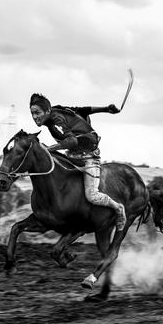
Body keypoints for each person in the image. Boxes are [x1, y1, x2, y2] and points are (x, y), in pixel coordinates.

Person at [29, 93, 126, 229]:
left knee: (92, 195)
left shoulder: (55, 121)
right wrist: (106, 109)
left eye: (37, 113)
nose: (35, 117)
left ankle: (118, 208)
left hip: (89, 156)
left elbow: (72, 141)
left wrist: (49, 149)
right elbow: (82, 110)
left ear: (47, 111)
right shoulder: (56, 109)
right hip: (73, 155)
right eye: (32, 113)